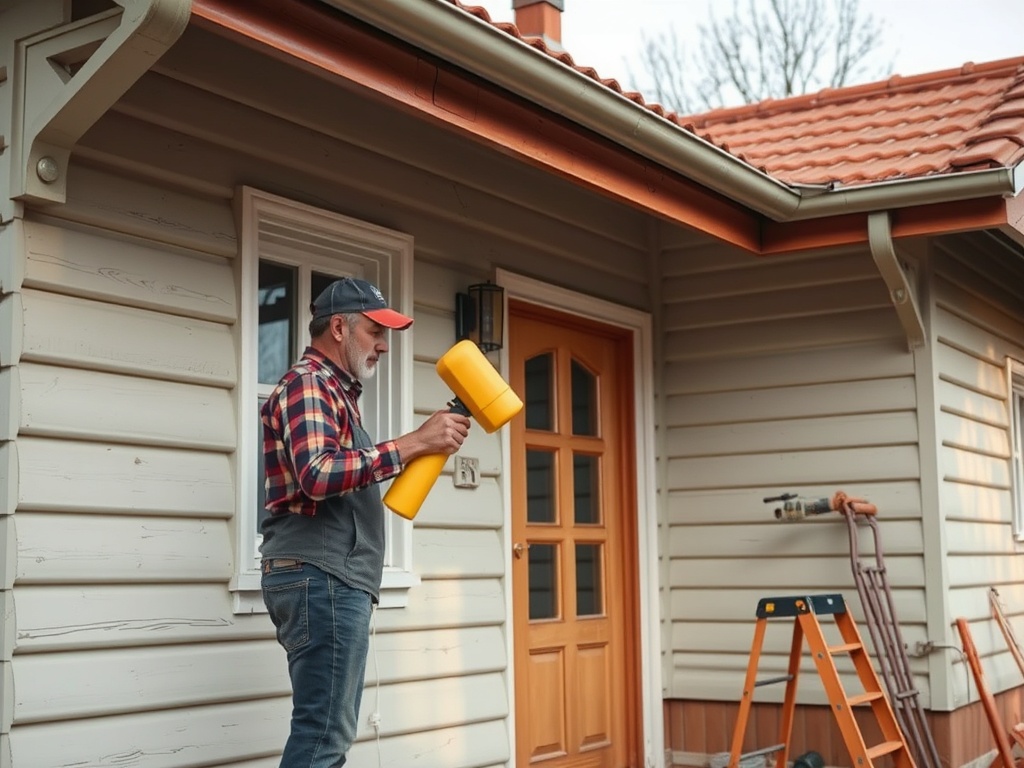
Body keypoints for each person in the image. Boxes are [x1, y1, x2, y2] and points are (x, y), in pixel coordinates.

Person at [260, 276, 470, 767]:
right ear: (338, 327)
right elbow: (317, 473)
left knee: (327, 732)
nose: (384, 346)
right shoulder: (308, 384)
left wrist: (419, 445)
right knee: (323, 737)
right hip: (321, 574)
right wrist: (413, 443)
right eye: (376, 332)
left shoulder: (335, 393)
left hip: (330, 576)